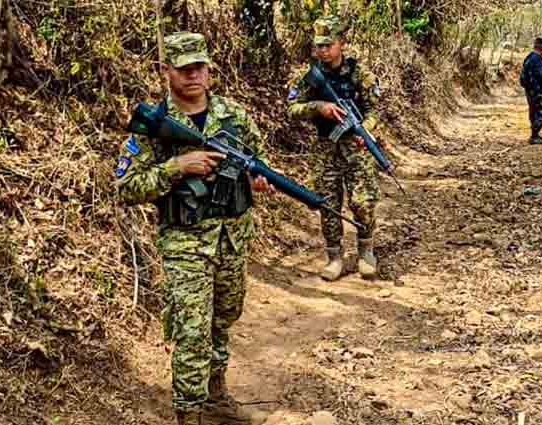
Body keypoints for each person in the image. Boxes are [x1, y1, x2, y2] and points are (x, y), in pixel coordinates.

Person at [114, 31, 272, 425]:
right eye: (184, 69)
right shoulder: (154, 124)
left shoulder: (234, 116)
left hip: (233, 239)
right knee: (191, 330)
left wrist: (259, 179)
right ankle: (189, 414)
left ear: (210, 69)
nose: (193, 76)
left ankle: (216, 397)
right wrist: (176, 167)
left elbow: (259, 161)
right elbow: (125, 187)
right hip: (185, 242)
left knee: (223, 319)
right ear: (166, 71)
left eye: (199, 67)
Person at [285, 14, 383, 282]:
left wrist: (367, 130)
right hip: (324, 149)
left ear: (342, 43)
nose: (323, 50)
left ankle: (366, 251)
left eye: (328, 44)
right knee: (328, 205)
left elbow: (374, 110)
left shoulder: (360, 74)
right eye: (319, 45)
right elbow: (291, 108)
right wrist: (318, 107)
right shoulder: (308, 77)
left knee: (363, 202)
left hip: (356, 149)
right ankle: (334, 256)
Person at [520, 37, 542, 145]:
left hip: (531, 91)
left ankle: (535, 135)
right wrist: (539, 90)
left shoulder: (530, 57)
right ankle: (534, 136)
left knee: (534, 112)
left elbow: (540, 74)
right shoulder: (536, 59)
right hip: (537, 91)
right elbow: (541, 75)